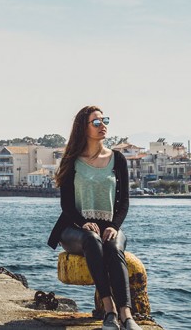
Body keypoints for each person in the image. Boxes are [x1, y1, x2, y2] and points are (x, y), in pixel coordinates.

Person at [47, 106, 141, 330]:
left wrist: (114, 226)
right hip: (75, 229)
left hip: (109, 225)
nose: (103, 125)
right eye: (96, 122)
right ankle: (109, 311)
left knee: (113, 247)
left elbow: (124, 201)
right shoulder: (72, 161)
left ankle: (126, 316)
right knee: (92, 239)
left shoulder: (117, 159)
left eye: (104, 120)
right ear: (84, 128)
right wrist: (83, 223)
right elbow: (66, 205)